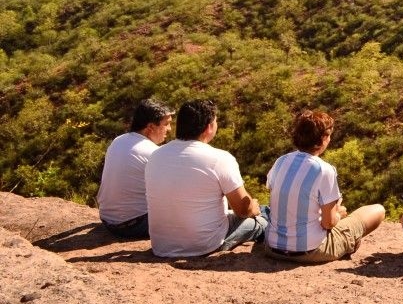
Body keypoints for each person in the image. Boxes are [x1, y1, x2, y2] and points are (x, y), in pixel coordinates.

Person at [144, 99, 268, 257]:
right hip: (203, 245)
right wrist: (254, 207)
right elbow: (244, 209)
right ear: (208, 127)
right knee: (262, 218)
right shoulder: (219, 158)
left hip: (162, 245)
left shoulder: (156, 156)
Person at [263, 109, 385, 264]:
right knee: (378, 210)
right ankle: (347, 244)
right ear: (323, 138)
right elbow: (328, 223)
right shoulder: (323, 169)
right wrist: (338, 214)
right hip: (309, 251)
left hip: (272, 247)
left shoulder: (281, 161)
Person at [97, 98, 173, 239]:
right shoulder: (151, 152)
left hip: (107, 220)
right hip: (135, 226)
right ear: (150, 127)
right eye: (166, 124)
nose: (169, 129)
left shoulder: (118, 140)